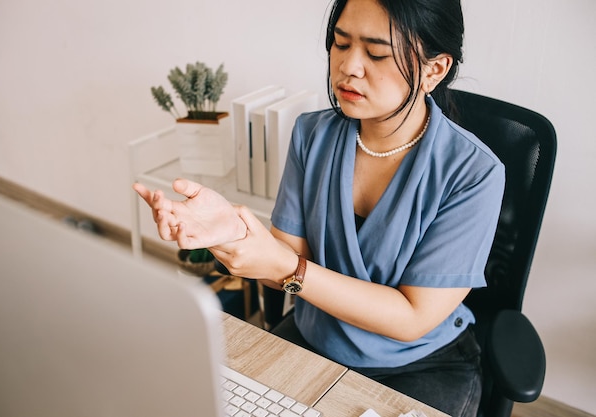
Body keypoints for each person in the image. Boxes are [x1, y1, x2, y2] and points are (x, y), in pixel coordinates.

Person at [133, 0, 504, 415]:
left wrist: (286, 268)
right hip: (316, 337)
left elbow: (410, 318)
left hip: (420, 364)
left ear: (434, 70)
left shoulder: (474, 173)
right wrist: (234, 235)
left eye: (376, 53)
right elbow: (281, 267)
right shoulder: (312, 135)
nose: (349, 67)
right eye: (340, 44)